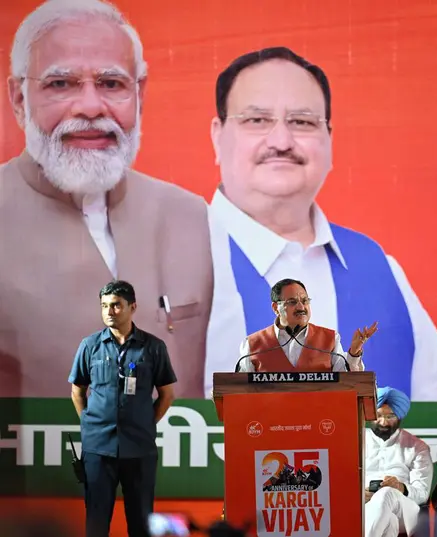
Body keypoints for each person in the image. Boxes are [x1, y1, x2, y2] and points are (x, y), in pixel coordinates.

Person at [204, 46, 437, 399]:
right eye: (257, 120)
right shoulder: (179, 257)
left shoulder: (375, 266)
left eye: (303, 122)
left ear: (329, 140)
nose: (281, 141)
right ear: (218, 136)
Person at [0, 0, 213, 398]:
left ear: (140, 94)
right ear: (18, 98)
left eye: (111, 83)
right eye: (60, 84)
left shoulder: (189, 216)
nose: (91, 107)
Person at [69, 280, 177, 537]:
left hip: (139, 447)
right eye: (104, 306)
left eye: (116, 305)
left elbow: (166, 394)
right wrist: (89, 423)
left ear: (133, 307)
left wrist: (146, 422)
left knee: (141, 521)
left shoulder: (153, 347)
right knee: (96, 520)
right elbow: (77, 391)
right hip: (98, 447)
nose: (109, 311)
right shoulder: (90, 345)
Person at [236, 278, 377, 371]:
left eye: (304, 301)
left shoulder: (330, 339)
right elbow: (239, 390)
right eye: (292, 302)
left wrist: (354, 351)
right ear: (275, 308)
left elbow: (347, 382)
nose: (301, 307)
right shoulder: (253, 344)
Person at [364, 387, 433, 537]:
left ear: (400, 417)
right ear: (370, 415)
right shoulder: (355, 442)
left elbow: (422, 494)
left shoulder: (417, 447)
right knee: (389, 522)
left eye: (390, 416)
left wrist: (400, 487)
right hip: (364, 505)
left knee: (386, 493)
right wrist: (360, 495)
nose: (383, 422)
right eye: (379, 415)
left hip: (405, 509)